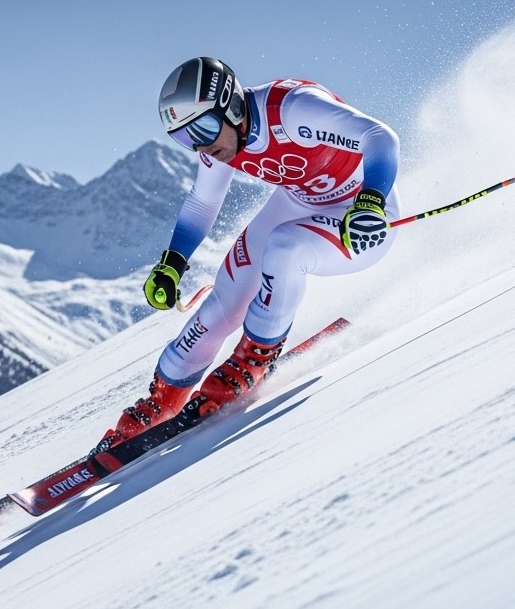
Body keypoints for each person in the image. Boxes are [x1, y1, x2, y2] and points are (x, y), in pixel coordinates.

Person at [98, 56, 400, 451]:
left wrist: (371, 200)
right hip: (299, 201)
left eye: (203, 129)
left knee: (285, 247)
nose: (202, 146)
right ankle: (163, 399)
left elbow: (380, 137)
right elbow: (203, 203)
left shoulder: (292, 109)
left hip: (362, 217)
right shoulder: (220, 141)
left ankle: (253, 360)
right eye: (186, 138)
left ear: (232, 105)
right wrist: (172, 264)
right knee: (226, 299)